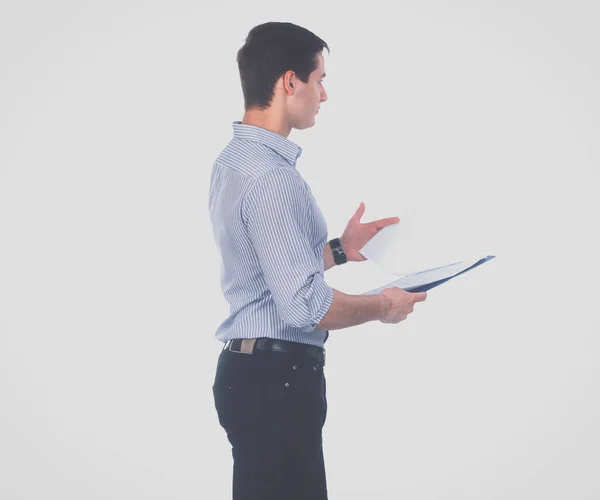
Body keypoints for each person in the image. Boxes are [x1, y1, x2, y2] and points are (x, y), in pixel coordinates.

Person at [209, 21, 428, 500]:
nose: (323, 95)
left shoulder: (233, 161)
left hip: (254, 380)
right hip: (276, 385)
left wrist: (338, 251)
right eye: (319, 79)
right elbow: (304, 307)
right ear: (290, 83)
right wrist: (384, 307)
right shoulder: (271, 177)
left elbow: (265, 268)